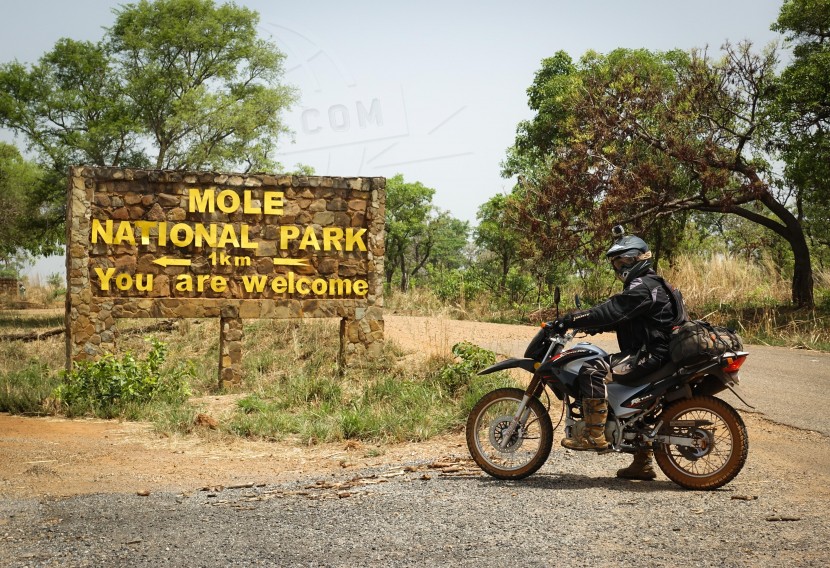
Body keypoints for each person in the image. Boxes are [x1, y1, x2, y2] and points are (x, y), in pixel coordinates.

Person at [553, 230, 686, 481]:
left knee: (592, 370)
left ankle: (594, 435)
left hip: (651, 355)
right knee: (642, 412)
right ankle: (642, 463)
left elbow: (614, 309)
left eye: (623, 261)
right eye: (616, 263)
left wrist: (573, 318)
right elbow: (625, 318)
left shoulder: (642, 287)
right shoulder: (654, 284)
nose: (619, 267)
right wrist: (590, 325)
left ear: (638, 260)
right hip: (658, 352)